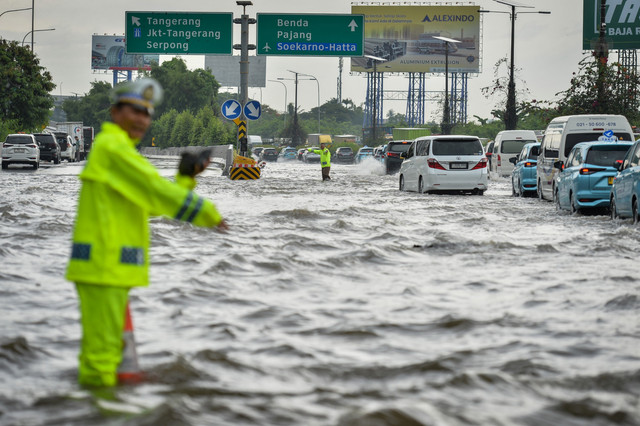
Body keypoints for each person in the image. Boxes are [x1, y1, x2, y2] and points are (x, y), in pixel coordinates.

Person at [65, 78, 228, 388]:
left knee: (107, 355)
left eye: (146, 113)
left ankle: (96, 407)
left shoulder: (118, 149)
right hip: (103, 266)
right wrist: (209, 215)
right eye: (135, 111)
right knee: (102, 358)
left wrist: (185, 180)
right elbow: (154, 190)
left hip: (108, 267)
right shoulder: (113, 148)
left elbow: (147, 204)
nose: (142, 120)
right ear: (115, 112)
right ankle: (104, 412)